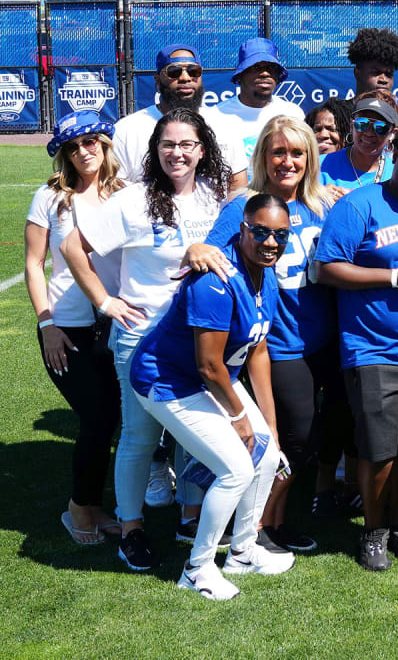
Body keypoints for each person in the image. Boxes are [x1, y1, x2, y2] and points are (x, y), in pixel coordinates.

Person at [62, 107, 232, 571]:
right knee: (139, 436)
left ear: (202, 150)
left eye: (186, 144)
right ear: (155, 150)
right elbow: (72, 247)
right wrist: (105, 302)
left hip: (199, 337)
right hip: (142, 338)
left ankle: (190, 517)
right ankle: (131, 529)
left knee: (195, 437)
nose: (177, 153)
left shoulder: (211, 196)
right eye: (167, 144)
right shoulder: (133, 199)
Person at [129, 194, 295, 600]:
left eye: (280, 235)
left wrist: (268, 427)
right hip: (168, 380)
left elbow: (257, 349)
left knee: (268, 453)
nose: (271, 242)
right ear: (242, 230)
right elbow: (208, 365)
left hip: (212, 377)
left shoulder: (265, 272)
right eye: (261, 232)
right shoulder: (215, 279)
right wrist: (240, 420)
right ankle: (197, 568)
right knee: (236, 468)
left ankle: (241, 551)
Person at [185, 116, 337, 553]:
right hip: (278, 343)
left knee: (308, 440)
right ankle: (260, 528)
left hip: (321, 339)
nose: (287, 161)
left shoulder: (320, 203)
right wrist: (195, 248)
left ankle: (276, 521)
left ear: (310, 158)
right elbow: (211, 256)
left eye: (297, 153)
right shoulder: (243, 206)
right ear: (262, 157)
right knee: (292, 438)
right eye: (278, 152)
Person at [314, 121, 398, 572]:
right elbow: (327, 268)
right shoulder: (359, 205)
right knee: (379, 449)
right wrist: (393, 276)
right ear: (395, 155)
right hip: (371, 346)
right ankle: (372, 531)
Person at [24, 111, 124, 545]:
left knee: (115, 420)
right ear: (64, 153)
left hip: (117, 324)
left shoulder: (127, 193)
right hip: (66, 327)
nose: (84, 151)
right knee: (97, 418)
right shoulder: (49, 197)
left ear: (104, 144)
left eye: (91, 142)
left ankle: (96, 506)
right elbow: (32, 262)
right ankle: (78, 510)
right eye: (73, 146)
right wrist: (46, 324)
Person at [112, 44, 248, 186]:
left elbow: (237, 188)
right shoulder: (127, 130)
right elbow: (115, 187)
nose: (185, 78)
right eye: (174, 71)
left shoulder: (225, 125)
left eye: (193, 71)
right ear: (158, 81)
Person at [203, 38, 305, 176]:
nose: (265, 73)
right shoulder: (214, 116)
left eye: (271, 68)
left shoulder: (293, 113)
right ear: (240, 75)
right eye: (256, 67)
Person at [318, 90, 398, 195]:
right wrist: (317, 195)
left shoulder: (396, 173)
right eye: (362, 123)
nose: (369, 132)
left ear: (393, 133)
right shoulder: (319, 165)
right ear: (352, 126)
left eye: (380, 127)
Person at [346, 27, 398, 125]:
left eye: (389, 74)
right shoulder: (340, 112)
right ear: (357, 73)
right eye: (376, 73)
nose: (383, 80)